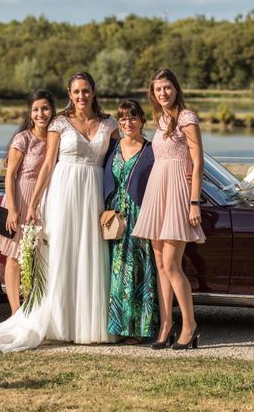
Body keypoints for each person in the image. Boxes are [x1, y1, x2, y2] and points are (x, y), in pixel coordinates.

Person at [0, 72, 118, 352]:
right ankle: (58, 321)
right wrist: (35, 203)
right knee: (60, 254)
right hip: (63, 194)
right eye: (76, 91)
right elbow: (48, 166)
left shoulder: (109, 125)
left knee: (90, 254)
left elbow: (119, 159)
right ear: (69, 93)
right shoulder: (59, 123)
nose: (81, 96)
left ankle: (87, 324)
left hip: (92, 195)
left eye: (86, 91)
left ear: (94, 91)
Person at [132, 68, 205, 350]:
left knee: (173, 265)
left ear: (176, 89)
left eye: (167, 87)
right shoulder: (160, 120)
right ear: (153, 93)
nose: (163, 93)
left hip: (177, 194)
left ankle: (190, 325)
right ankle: (165, 324)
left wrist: (194, 201)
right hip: (156, 193)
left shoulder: (186, 118)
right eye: (158, 89)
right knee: (160, 265)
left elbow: (198, 162)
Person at [103, 100, 158, 344]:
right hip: (115, 217)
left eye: (133, 118)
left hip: (140, 214)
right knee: (118, 271)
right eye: (123, 119)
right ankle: (120, 326)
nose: (128, 123)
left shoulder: (151, 149)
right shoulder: (111, 147)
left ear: (142, 121)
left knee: (139, 272)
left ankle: (140, 329)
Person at [0, 90, 54, 315]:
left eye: (45, 108)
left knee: (36, 255)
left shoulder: (54, 137)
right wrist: (12, 209)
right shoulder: (23, 139)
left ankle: (33, 305)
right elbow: (10, 175)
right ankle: (15, 310)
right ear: (30, 114)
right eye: (36, 109)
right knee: (15, 254)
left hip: (44, 200)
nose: (41, 114)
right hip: (20, 198)